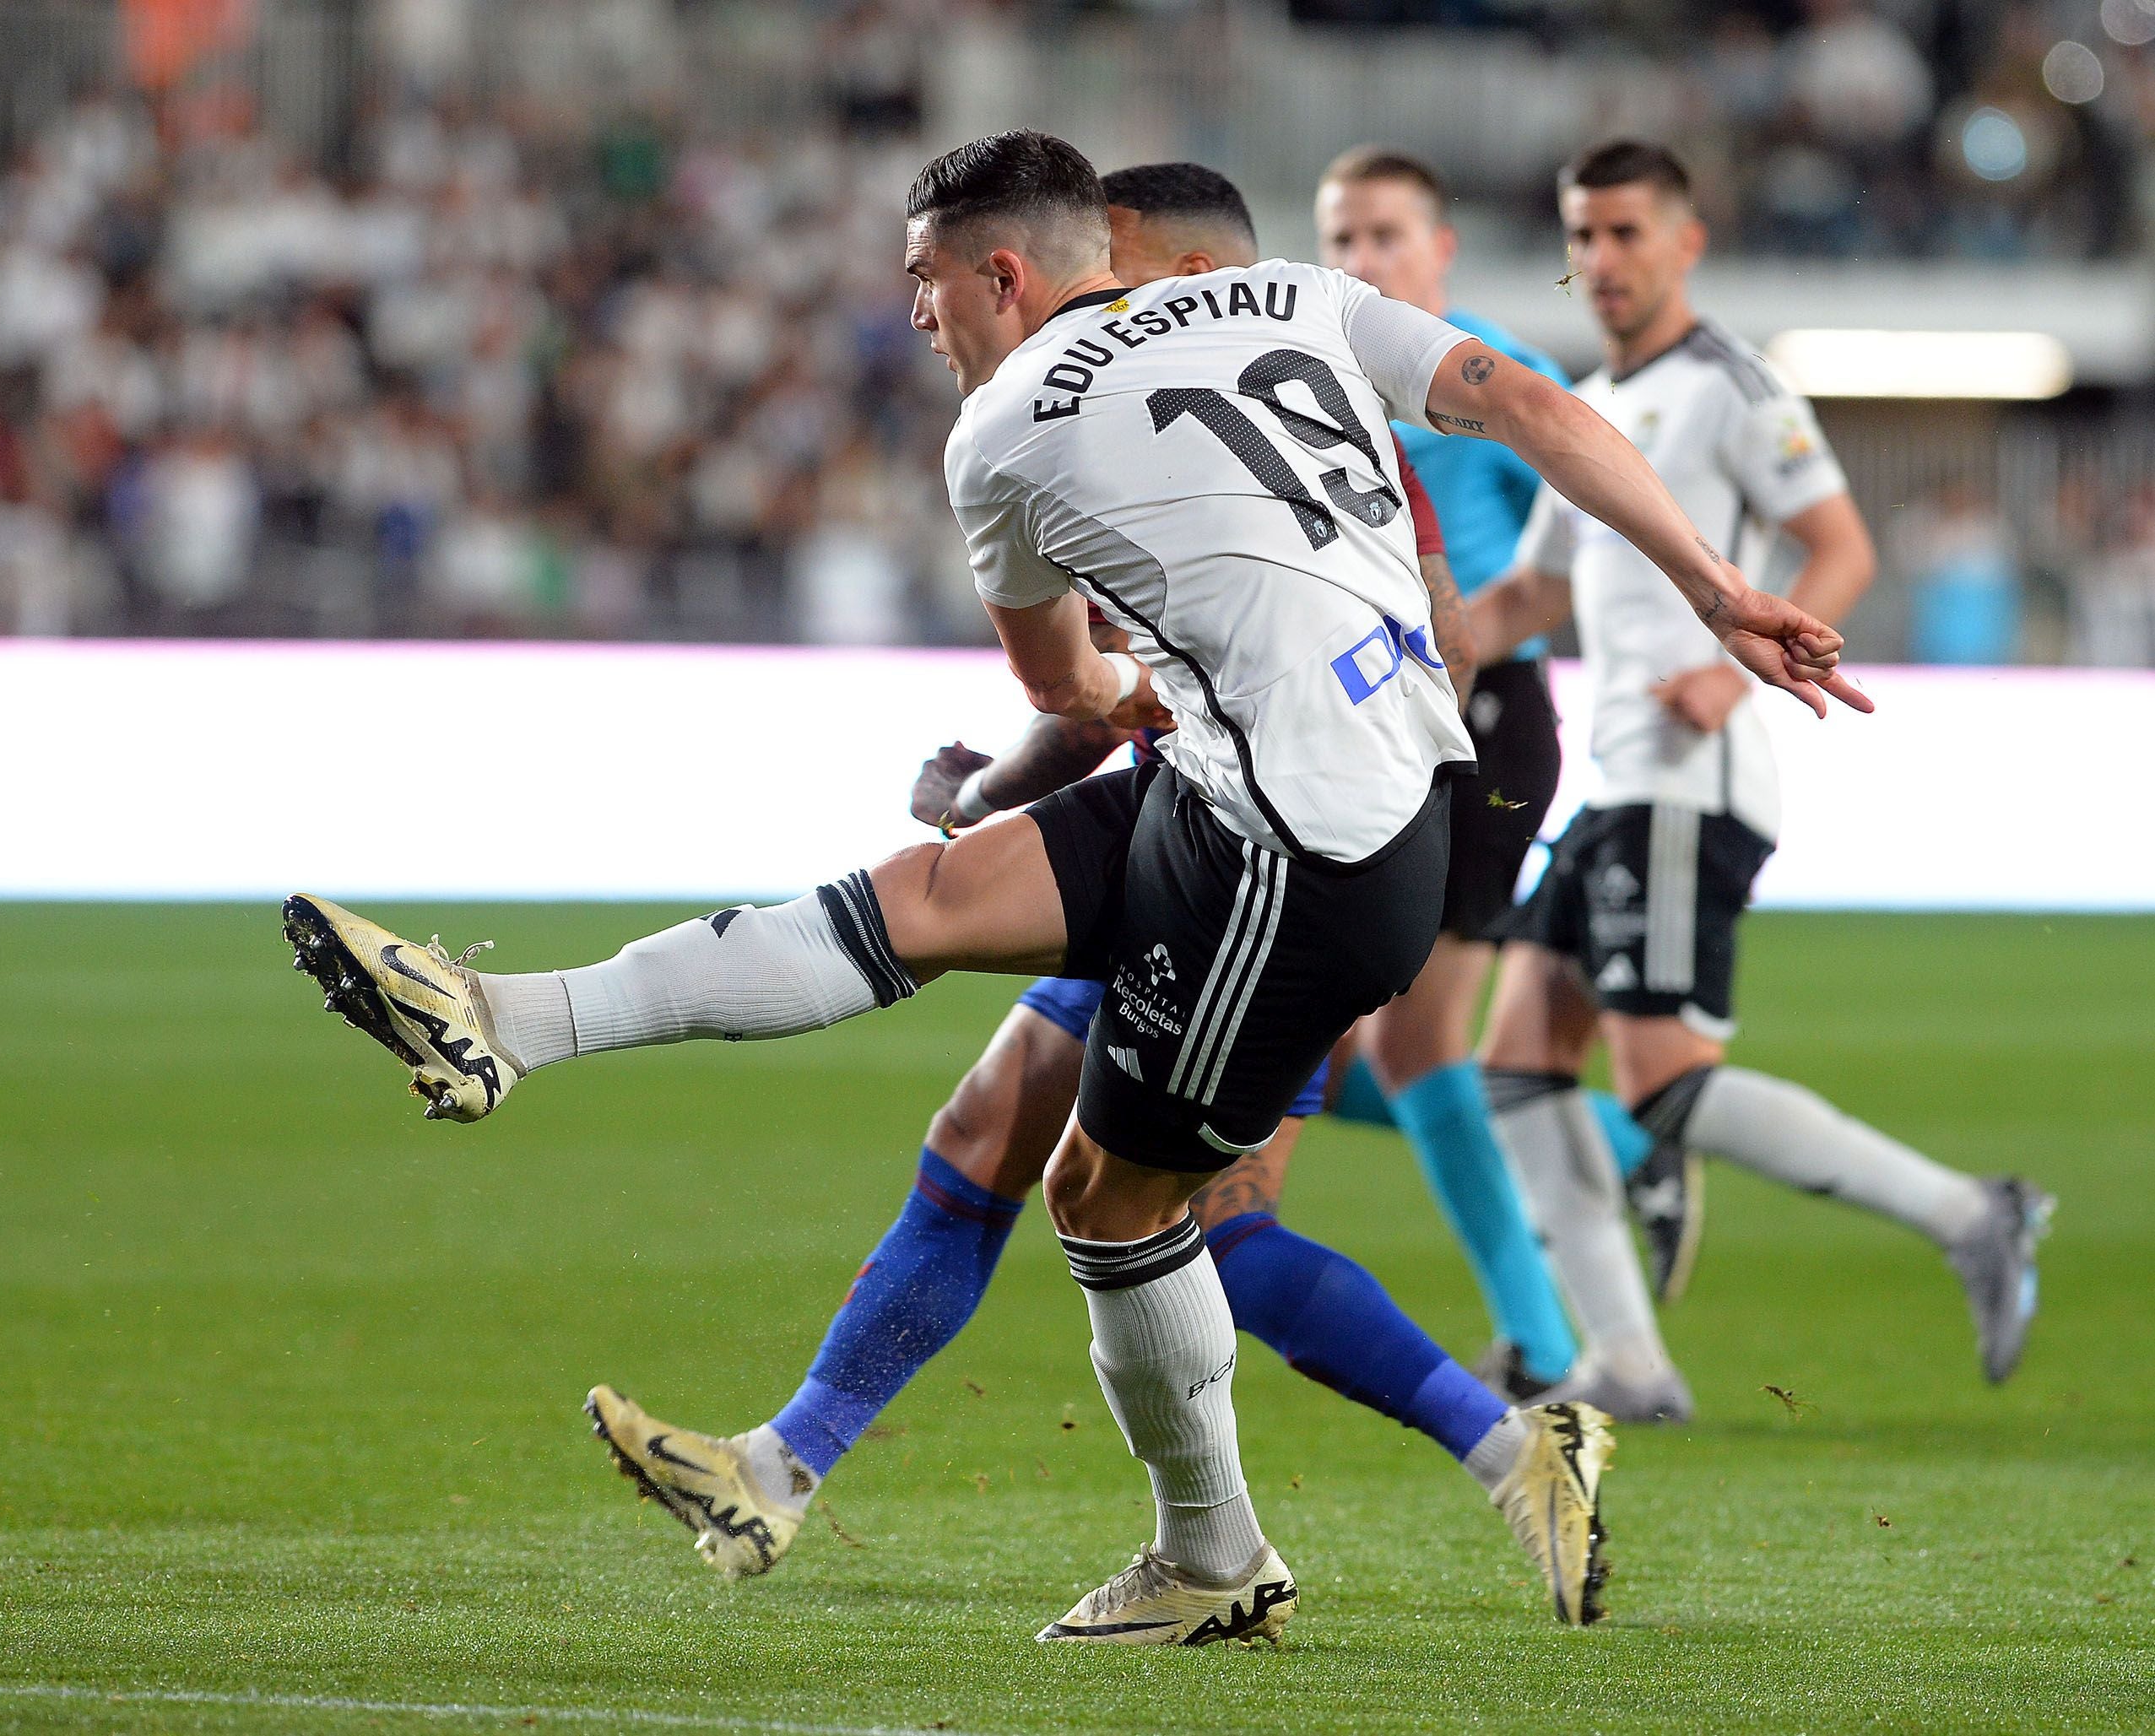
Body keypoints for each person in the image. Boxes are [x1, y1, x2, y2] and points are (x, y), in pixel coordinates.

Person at [284, 129, 1864, 1645]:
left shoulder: (1003, 430)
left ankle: (1225, 1548)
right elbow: (1515, 396)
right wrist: (1718, 585)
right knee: (930, 898)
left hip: (1301, 857)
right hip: (1274, 788)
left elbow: (1070, 681)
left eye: (923, 279)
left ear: (1001, 280)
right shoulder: (1295, 296)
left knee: (1111, 1204)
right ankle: (500, 1018)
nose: (909, 312)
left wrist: (1076, 713)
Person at [584, 163, 1602, 1626]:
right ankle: (781, 1466)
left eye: (1116, 268)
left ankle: (1506, 1445)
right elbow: (1115, 696)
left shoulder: (1239, 406)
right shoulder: (1136, 411)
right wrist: (1015, 790)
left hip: (1290, 856)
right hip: (1186, 838)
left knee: (1200, 1225)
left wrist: (1013, 788)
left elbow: (1320, 662)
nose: (1094, 305)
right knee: (996, 1134)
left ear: (1180, 267)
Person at [1466, 138, 2051, 1425]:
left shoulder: (1732, 385)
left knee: (1661, 1080)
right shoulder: (1586, 403)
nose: (1600, 259)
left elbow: (1836, 545)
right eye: (1583, 234)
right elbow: (1529, 591)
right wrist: (1404, 640)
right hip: (1617, 779)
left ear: (1686, 242)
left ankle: (1972, 1212)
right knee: (1513, 1061)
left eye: (1626, 232)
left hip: (1689, 773)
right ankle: (1625, 1357)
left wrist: (1731, 678)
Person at [1315, 145, 1640, 1398]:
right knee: (1360, 1051)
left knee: (1411, 1043)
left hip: (1484, 716)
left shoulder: (1497, 375)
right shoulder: (1313, 379)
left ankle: (1547, 1343)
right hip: (1372, 726)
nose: (1362, 263)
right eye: (1340, 240)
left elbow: (1602, 513)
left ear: (1440, 249)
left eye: (1386, 236)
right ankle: (1622, 1144)